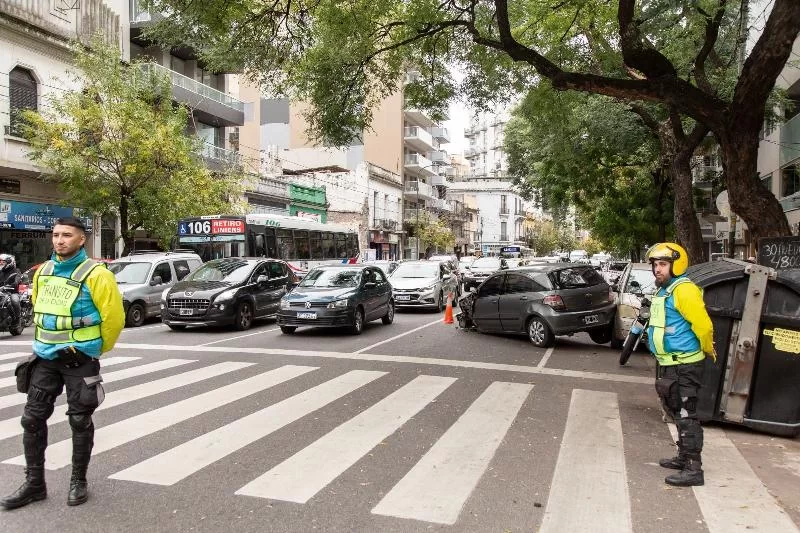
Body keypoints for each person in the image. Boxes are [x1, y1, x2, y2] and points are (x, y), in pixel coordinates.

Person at [1, 217, 124, 510]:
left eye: (67, 235)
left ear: (81, 239)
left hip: (79, 360)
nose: (59, 240)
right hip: (45, 358)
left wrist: (93, 350)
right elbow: (44, 312)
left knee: (80, 421)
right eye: (56, 235)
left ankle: (78, 481)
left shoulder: (97, 274)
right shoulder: (43, 272)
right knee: (31, 419)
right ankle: (35, 484)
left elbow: (114, 319)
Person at [646, 242, 716, 487]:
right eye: (655, 265)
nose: (657, 269)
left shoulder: (684, 290)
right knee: (675, 409)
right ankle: (683, 456)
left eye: (663, 265)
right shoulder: (666, 290)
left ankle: (693, 468)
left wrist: (708, 350)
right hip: (670, 363)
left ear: (678, 265)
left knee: (686, 413)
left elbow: (704, 326)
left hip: (685, 364)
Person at [0, 254, 22, 327]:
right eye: (0, 262)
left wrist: (15, 283)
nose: (1, 263)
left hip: (12, 292)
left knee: (14, 300)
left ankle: (17, 319)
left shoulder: (16, 270)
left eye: (3, 262)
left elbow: (17, 279)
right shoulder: (1, 272)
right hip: (1, 292)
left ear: (9, 262)